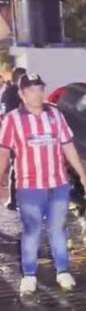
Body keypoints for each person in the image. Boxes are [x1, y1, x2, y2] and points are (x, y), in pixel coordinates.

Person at [0, 74, 86, 295]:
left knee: (58, 229)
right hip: (29, 186)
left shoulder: (55, 114)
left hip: (58, 184)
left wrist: (83, 175)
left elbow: (68, 146)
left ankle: (62, 271)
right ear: (22, 95)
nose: (37, 94)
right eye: (31, 90)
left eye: (40, 89)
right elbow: (3, 152)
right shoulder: (12, 120)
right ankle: (29, 275)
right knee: (31, 230)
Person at [1, 67, 25, 210]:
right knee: (17, 167)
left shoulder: (12, 93)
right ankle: (14, 200)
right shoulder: (11, 93)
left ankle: (16, 200)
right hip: (16, 136)